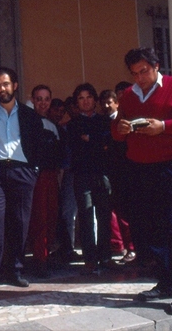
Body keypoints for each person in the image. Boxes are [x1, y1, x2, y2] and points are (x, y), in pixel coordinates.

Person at [112, 47, 172, 316]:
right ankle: (165, 282)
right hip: (140, 168)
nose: (140, 78)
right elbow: (118, 132)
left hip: (171, 165)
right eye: (134, 73)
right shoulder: (129, 96)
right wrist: (120, 129)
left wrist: (163, 126)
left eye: (144, 71)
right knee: (148, 229)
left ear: (155, 66)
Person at [0, 67, 43, 295]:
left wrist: (33, 170)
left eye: (5, 84)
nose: (1, 89)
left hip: (22, 172)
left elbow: (39, 145)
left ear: (14, 86)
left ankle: (14, 270)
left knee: (20, 222)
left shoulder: (29, 115)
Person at [67, 83, 113, 275]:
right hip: (82, 174)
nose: (85, 101)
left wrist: (90, 140)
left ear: (95, 100)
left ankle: (105, 256)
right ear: (77, 102)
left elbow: (108, 144)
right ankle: (90, 258)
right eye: (81, 98)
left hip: (102, 174)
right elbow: (75, 148)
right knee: (85, 216)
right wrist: (95, 142)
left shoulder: (105, 121)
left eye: (88, 97)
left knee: (104, 215)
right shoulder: (72, 124)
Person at [27, 85, 63, 277]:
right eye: (39, 99)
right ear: (33, 100)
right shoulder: (26, 120)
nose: (43, 103)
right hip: (35, 176)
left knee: (51, 217)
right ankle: (39, 259)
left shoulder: (52, 124)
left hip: (51, 176)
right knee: (39, 218)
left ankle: (46, 256)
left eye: (46, 99)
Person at [98, 90, 136, 264]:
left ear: (117, 103)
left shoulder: (125, 121)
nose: (106, 106)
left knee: (127, 211)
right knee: (115, 211)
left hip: (125, 170)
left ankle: (133, 248)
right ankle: (120, 245)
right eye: (104, 103)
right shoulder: (102, 121)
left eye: (109, 102)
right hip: (108, 170)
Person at [47, 98, 80, 264]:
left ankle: (68, 247)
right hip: (54, 174)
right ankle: (61, 247)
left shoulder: (64, 129)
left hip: (67, 172)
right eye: (56, 110)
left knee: (67, 211)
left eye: (62, 111)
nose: (59, 114)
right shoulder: (49, 126)